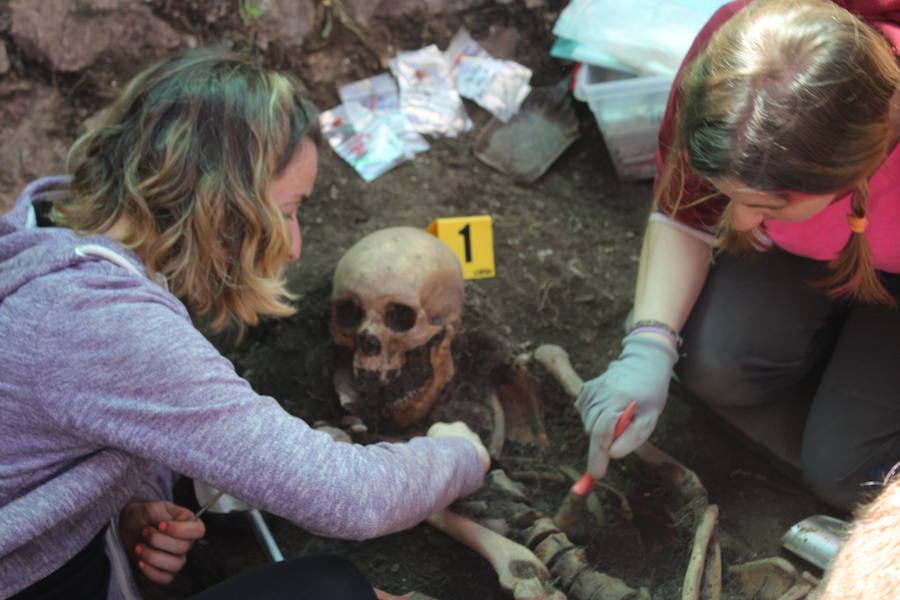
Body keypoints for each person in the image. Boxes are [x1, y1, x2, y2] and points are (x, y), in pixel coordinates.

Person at [0, 47, 490, 599]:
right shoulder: (98, 320)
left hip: (54, 562)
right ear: (221, 201)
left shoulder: (53, 236)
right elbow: (353, 496)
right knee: (333, 590)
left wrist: (124, 507)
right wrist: (460, 456)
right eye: (285, 211)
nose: (297, 245)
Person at [576, 0, 900, 511]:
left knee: (851, 478)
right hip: (803, 249)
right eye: (730, 196)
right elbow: (688, 213)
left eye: (762, 204)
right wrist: (650, 345)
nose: (740, 222)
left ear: (858, 171)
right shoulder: (739, 56)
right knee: (710, 364)